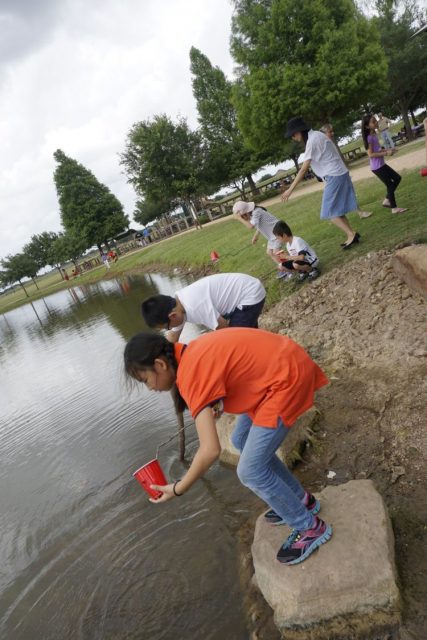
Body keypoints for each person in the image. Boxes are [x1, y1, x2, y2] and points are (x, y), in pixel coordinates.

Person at [124, 329, 332, 565]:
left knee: (249, 471)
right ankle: (302, 500)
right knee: (240, 440)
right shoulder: (187, 356)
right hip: (278, 369)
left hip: (285, 380)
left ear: (160, 364)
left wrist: (178, 488)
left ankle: (310, 528)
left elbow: (210, 450)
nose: (149, 388)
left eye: (145, 380)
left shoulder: (190, 373)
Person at [282, 117, 361, 250]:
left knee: (329, 212)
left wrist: (290, 190)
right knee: (336, 211)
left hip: (334, 175)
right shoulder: (317, 135)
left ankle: (351, 234)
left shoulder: (312, 141)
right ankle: (351, 234)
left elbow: (303, 170)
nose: (293, 137)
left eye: (293, 134)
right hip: (338, 174)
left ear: (300, 131)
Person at [141, 273, 266, 342]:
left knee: (236, 340)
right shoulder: (177, 306)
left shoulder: (194, 306)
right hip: (241, 294)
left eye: (167, 327)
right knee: (248, 335)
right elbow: (172, 338)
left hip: (249, 294)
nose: (170, 329)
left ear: (172, 316)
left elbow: (223, 328)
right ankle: (263, 345)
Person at [320, 123, 372, 219]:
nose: (333, 133)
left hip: (341, 172)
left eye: (332, 131)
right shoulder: (322, 145)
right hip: (334, 175)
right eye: (330, 132)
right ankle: (347, 214)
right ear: (323, 134)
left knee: (350, 191)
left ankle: (359, 212)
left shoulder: (330, 142)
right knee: (343, 194)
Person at [361, 114, 407, 214]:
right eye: (373, 121)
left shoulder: (374, 135)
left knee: (397, 178)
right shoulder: (369, 138)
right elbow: (371, 154)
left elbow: (378, 149)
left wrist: (389, 149)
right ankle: (394, 208)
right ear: (367, 126)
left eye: (375, 120)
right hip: (377, 167)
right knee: (390, 184)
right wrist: (386, 153)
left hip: (381, 165)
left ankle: (387, 200)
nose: (376, 122)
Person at [232, 201, 284, 276]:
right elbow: (259, 226)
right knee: (269, 252)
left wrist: (239, 218)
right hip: (272, 236)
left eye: (243, 216)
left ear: (246, 212)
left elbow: (250, 226)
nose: (244, 218)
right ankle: (283, 267)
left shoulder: (256, 212)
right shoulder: (254, 214)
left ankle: (287, 268)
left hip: (278, 231)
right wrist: (255, 236)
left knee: (277, 253)